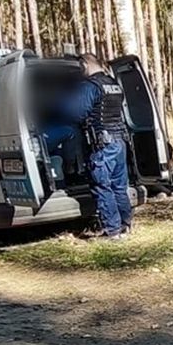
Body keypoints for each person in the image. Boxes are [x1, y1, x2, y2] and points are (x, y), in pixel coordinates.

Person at [62, 53, 132, 239]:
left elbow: (76, 113)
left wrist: (60, 103)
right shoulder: (113, 84)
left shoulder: (90, 86)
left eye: (80, 68)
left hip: (103, 146)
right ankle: (125, 225)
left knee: (102, 185)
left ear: (85, 64)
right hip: (119, 142)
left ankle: (112, 230)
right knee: (119, 186)